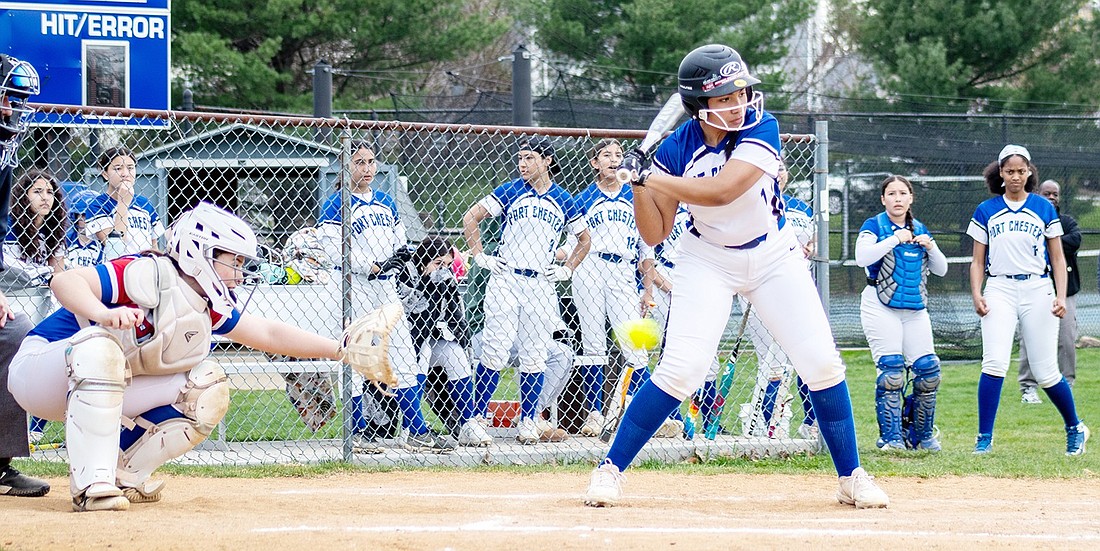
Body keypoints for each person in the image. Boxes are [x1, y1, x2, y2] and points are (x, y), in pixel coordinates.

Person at [584, 44, 888, 508]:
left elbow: (724, 191)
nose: (739, 102)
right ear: (701, 105)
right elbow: (655, 229)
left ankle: (851, 476)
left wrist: (654, 176)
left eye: (741, 92)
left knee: (821, 362)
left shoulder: (761, 126)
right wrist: (639, 182)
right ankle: (610, 468)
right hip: (706, 259)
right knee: (682, 368)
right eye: (725, 97)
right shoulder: (676, 147)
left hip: (774, 255)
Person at [7, 202, 350, 512]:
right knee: (100, 347)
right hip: (38, 372)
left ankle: (123, 471)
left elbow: (268, 334)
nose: (241, 275)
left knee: (205, 388)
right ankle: (91, 483)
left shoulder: (203, 303)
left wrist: (338, 349)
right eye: (235, 261)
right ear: (202, 251)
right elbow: (64, 281)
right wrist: (103, 312)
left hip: (92, 383)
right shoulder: (147, 273)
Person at [317, 140, 453, 453]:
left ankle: (417, 431)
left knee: (404, 354)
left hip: (387, 287)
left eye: (370, 161)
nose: (366, 168)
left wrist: (398, 255)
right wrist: (372, 264)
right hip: (356, 288)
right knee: (355, 357)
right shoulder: (336, 203)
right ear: (347, 167)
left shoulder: (385, 201)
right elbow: (329, 250)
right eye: (359, 162)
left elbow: (400, 238)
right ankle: (357, 433)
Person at [462, 135, 591, 445]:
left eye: (530, 158)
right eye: (520, 158)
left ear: (547, 161)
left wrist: (567, 268)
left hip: (541, 284)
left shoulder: (563, 198)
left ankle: (529, 421)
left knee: (535, 356)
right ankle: (476, 420)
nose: (522, 164)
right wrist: (479, 255)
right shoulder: (509, 191)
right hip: (507, 278)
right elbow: (471, 217)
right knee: (496, 348)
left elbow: (584, 240)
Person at [967, 145, 1088, 456]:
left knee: (1046, 370)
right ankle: (984, 438)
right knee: (994, 362)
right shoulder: (987, 210)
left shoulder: (1043, 208)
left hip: (1037, 289)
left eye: (1022, 171)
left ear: (1030, 173)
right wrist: (977, 292)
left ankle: (1075, 428)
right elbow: (977, 261)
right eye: (1010, 171)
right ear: (1000, 174)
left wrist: (1061, 296)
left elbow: (1058, 259)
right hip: (1000, 288)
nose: (1016, 176)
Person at [567, 138, 662, 437]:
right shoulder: (582, 199)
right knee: (594, 342)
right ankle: (595, 414)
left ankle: (639, 414)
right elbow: (571, 245)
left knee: (634, 344)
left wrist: (647, 290)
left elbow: (647, 249)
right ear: (595, 163)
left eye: (618, 155)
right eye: (605, 155)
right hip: (589, 268)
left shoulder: (635, 197)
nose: (612, 159)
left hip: (622, 269)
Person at [856, 175, 948, 452]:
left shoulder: (920, 228)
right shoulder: (874, 226)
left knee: (928, 371)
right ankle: (891, 438)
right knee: (892, 372)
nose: (897, 198)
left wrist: (931, 246)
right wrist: (894, 240)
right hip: (880, 304)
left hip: (914, 309)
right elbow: (862, 257)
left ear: (911, 198)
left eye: (903, 193)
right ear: (883, 199)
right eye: (891, 194)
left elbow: (941, 269)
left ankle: (921, 435)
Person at [738, 160, 819, 440]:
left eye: (783, 168)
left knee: (797, 357)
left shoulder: (800, 207)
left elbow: (813, 238)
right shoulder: (751, 202)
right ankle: (768, 422)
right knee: (772, 360)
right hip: (761, 286)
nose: (779, 173)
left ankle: (783, 418)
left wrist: (811, 245)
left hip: (795, 287)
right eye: (773, 169)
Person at [0, 52, 49, 498]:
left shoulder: (5, 151)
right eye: (9, 98)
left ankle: (0, 464)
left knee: (16, 334)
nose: (14, 109)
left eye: (20, 101)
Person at [395, 234, 492, 447]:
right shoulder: (406, 271)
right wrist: (429, 287)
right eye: (437, 263)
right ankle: (412, 426)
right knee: (424, 354)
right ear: (424, 258)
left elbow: (454, 313)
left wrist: (461, 336)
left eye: (447, 264)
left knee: (455, 353)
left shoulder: (445, 276)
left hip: (434, 334)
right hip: (408, 338)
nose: (442, 269)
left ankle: (468, 423)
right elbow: (410, 310)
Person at [1018, 179, 1079, 404]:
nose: (1051, 198)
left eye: (1055, 194)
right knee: (1029, 338)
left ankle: (1067, 383)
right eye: (1047, 193)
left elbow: (1075, 241)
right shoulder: (1028, 220)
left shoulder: (1067, 222)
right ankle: (1028, 387)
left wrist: (1050, 239)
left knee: (1066, 338)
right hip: (1034, 291)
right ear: (1037, 193)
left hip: (1066, 292)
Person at [85, 146, 164, 258]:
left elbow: (154, 245)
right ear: (105, 174)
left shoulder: (144, 204)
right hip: (116, 268)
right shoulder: (97, 205)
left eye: (130, 168)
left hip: (144, 267)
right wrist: (123, 203)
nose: (125, 173)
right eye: (118, 168)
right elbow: (114, 246)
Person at [65, 189, 105, 269]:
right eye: (84, 215)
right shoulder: (66, 240)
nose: (88, 220)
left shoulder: (103, 242)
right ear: (75, 216)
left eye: (92, 215)